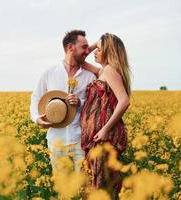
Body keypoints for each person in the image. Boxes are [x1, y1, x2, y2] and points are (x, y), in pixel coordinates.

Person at [29, 29, 96, 172]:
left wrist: (80, 102)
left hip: (80, 140)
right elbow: (36, 97)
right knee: (61, 186)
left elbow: (95, 105)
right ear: (70, 47)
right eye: (84, 47)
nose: (87, 51)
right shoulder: (50, 73)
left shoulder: (90, 76)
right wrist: (37, 119)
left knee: (82, 185)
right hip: (56, 140)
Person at [80, 33, 131, 199]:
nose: (95, 51)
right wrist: (100, 42)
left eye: (99, 49)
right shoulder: (103, 71)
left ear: (109, 52)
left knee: (102, 186)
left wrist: (105, 129)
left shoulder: (109, 71)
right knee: (98, 184)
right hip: (98, 138)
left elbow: (124, 101)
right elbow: (81, 59)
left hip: (104, 137)